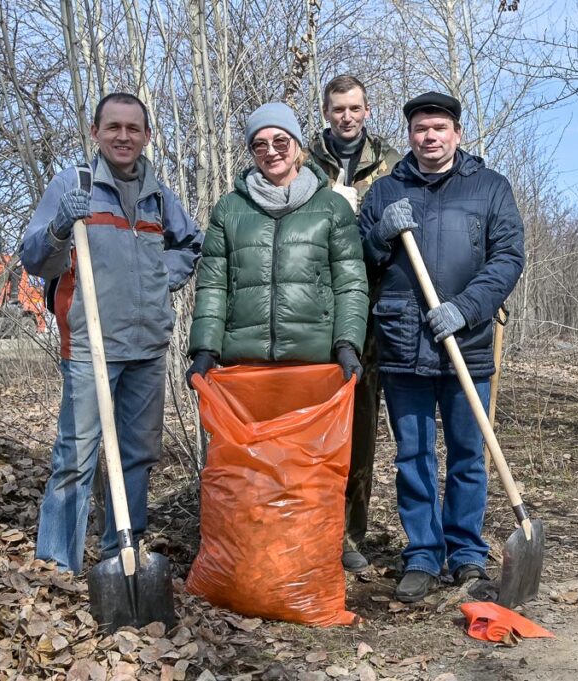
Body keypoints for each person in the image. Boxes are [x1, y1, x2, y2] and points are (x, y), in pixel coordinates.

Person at [20, 92, 203, 574]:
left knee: (138, 455)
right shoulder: (73, 183)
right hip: (89, 345)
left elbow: (191, 243)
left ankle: (121, 554)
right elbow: (34, 258)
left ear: (146, 135)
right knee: (76, 457)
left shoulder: (158, 194)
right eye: (114, 127)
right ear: (95, 132)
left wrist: (162, 277)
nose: (124, 136)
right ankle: (56, 565)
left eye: (133, 129)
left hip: (146, 346)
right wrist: (60, 228)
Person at [358, 92, 525, 603]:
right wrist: (381, 235)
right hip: (402, 343)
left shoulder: (490, 188)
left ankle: (467, 554)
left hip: (466, 344)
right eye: (420, 129)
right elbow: (357, 260)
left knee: (468, 455)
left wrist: (467, 307)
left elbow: (508, 258)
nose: (429, 137)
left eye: (439, 128)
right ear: (409, 135)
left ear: (457, 133)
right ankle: (424, 554)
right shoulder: (385, 192)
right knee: (412, 456)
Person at [187, 102, 368, 384]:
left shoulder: (332, 207)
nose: (271, 152)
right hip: (246, 365)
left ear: (296, 144)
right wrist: (205, 348)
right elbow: (213, 286)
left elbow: (350, 285)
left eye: (280, 141)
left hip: (314, 363)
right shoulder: (229, 209)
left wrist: (347, 344)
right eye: (260, 145)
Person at [307, 75, 401, 572]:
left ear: (367, 110)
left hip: (373, 306)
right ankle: (310, 529)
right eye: (338, 108)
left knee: (361, 424)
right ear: (326, 111)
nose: (347, 116)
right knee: (315, 426)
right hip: (315, 308)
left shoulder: (390, 165)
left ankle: (349, 534)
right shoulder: (302, 161)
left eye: (355, 108)